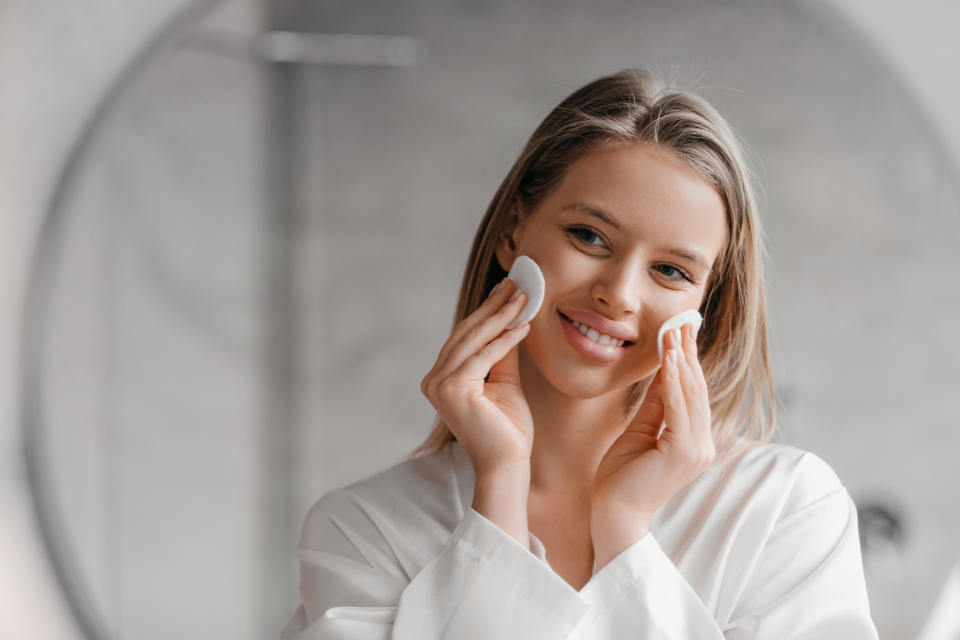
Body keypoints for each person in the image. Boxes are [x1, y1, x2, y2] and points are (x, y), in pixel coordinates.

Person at [280, 68, 878, 639]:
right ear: (515, 227)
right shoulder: (365, 528)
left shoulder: (784, 509)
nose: (618, 294)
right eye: (589, 236)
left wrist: (624, 531)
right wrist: (500, 492)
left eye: (670, 271)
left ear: (706, 304)